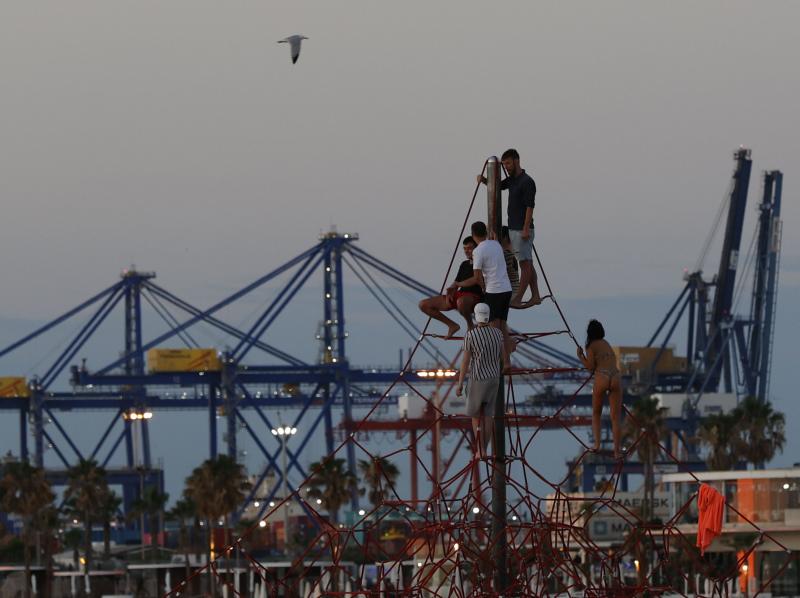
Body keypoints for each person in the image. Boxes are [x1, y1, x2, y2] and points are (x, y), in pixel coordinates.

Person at [477, 148, 542, 308]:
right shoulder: (513, 180)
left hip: (521, 229)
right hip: (514, 227)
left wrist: (526, 228)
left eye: (507, 163)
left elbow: (530, 206)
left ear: (516, 161)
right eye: (504, 164)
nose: (506, 167)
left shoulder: (526, 181)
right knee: (528, 262)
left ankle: (519, 297)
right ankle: (535, 295)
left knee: (524, 264)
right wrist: (485, 180)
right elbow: (499, 186)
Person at [455, 303, 509, 458]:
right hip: (494, 379)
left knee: (475, 415)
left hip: (477, 379)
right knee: (488, 416)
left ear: (475, 315)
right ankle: (485, 449)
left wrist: (459, 384)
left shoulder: (471, 335)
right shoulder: (498, 334)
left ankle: (480, 450)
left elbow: (465, 362)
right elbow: (503, 356)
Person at [457, 221, 514, 353]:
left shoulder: (478, 251)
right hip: (506, 289)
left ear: (472, 234)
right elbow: (492, 237)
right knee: (502, 326)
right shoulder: (496, 244)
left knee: (493, 329)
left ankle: (497, 359)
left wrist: (460, 284)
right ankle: (506, 361)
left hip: (494, 291)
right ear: (485, 232)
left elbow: (477, 277)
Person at [576, 320, 623, 459]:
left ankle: (597, 444)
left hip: (602, 377)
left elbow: (590, 367)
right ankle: (617, 451)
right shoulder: (606, 343)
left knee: (596, 413)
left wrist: (580, 356)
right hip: (615, 376)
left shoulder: (590, 346)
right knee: (615, 418)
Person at [418, 236, 482, 338]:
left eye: (470, 248)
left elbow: (476, 279)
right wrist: (451, 290)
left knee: (461, 302)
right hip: (460, 295)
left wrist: (458, 285)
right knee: (423, 304)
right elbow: (456, 282)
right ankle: (452, 325)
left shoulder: (481, 263)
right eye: (465, 249)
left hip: (474, 297)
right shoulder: (464, 264)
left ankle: (470, 325)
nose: (467, 251)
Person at [501, 226, 520, 298]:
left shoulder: (506, 254)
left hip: (509, 291)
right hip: (514, 290)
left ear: (505, 237)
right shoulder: (514, 251)